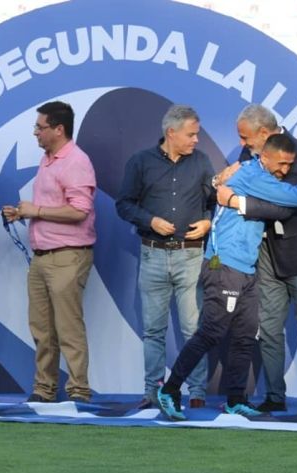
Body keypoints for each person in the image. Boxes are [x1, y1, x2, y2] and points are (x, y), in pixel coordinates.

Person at [155, 134, 297, 421]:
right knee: (211, 331)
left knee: (245, 336)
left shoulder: (261, 175)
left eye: (289, 165)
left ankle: (236, 399)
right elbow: (295, 199)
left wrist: (230, 196)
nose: (285, 171)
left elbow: (280, 205)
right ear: (265, 157)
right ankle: (170, 390)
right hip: (225, 266)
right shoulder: (251, 175)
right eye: (281, 164)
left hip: (246, 268)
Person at [217, 104, 297, 414]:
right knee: (268, 328)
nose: (241, 145)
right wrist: (223, 187)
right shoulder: (249, 155)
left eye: (245, 137)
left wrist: (238, 202)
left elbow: (286, 206)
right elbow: (230, 185)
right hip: (267, 254)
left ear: (264, 133)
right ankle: (275, 397)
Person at [115, 104, 214, 409]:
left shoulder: (201, 162)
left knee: (193, 330)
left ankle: (196, 392)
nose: (196, 139)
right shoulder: (140, 162)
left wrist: (209, 220)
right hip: (153, 255)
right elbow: (124, 204)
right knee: (153, 330)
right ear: (171, 133)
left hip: (191, 257)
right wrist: (150, 221)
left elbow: (215, 201)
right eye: (191, 134)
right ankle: (152, 392)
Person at [2, 101, 96, 403]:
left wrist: (37, 210)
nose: (35, 133)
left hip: (68, 255)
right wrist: (23, 213)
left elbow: (80, 211)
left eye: (40, 128)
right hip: (42, 257)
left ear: (59, 129)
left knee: (68, 327)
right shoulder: (48, 159)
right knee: (42, 328)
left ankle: (78, 391)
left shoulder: (76, 161)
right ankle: (45, 389)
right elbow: (55, 207)